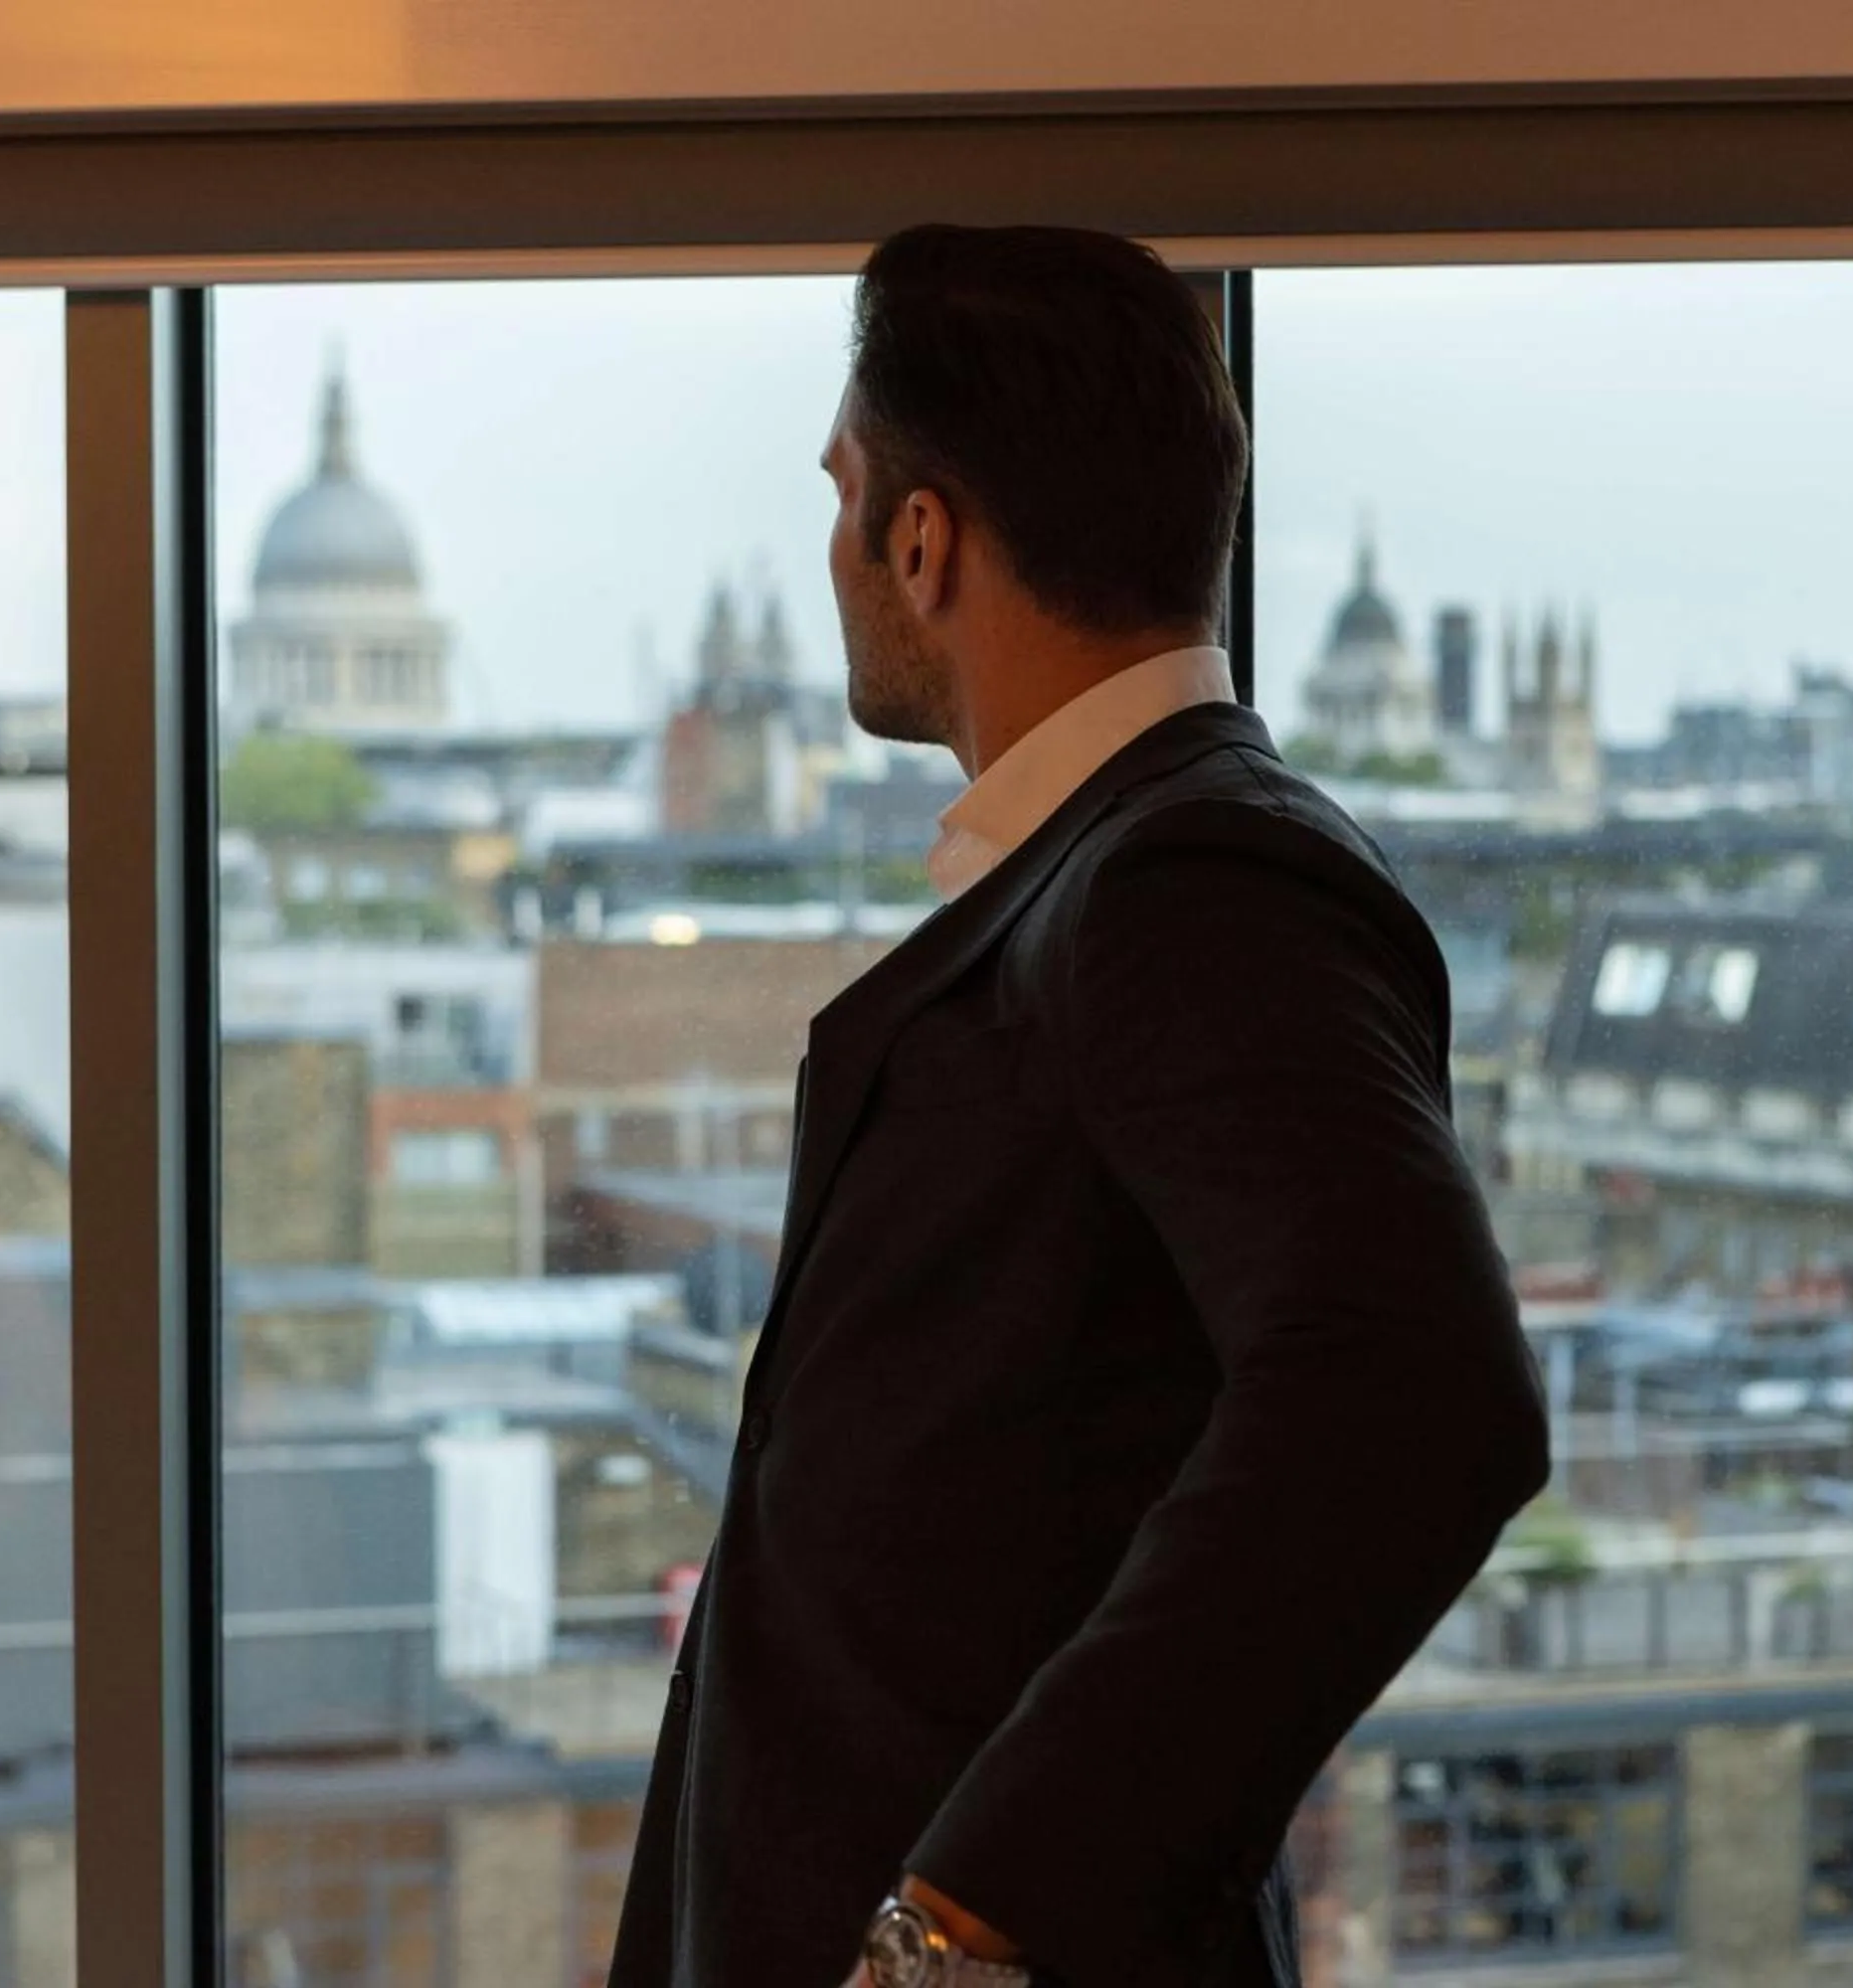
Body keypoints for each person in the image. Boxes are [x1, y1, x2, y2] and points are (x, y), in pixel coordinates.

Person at [607, 223, 1552, 1988]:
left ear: (920, 535)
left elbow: (1421, 1398)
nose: (830, 551)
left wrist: (979, 1914)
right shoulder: (1113, 872)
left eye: (843, 494)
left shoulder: (1193, 879)